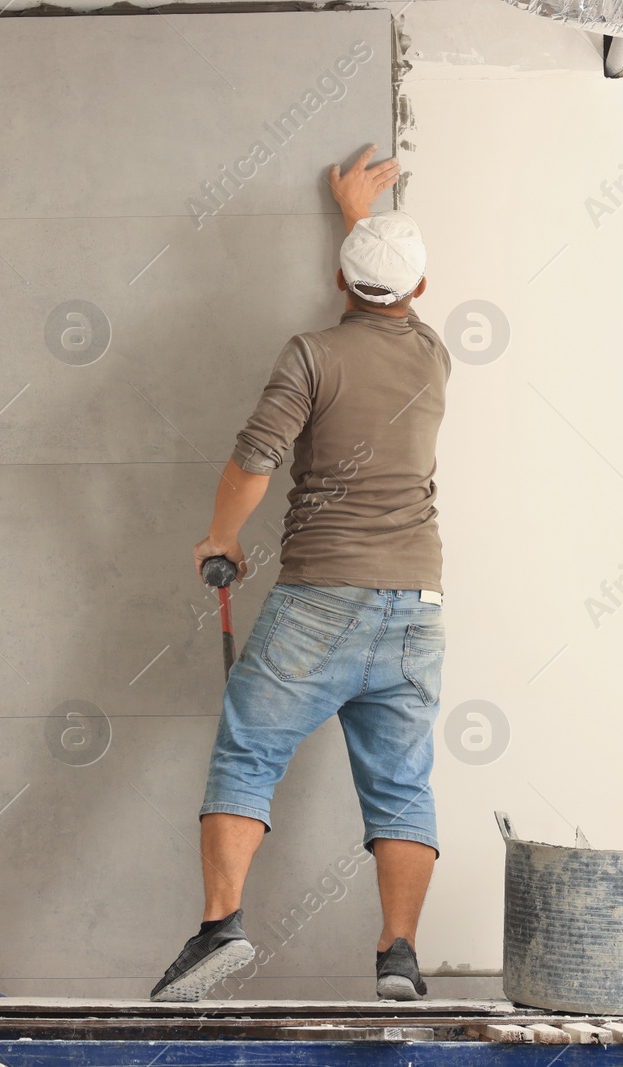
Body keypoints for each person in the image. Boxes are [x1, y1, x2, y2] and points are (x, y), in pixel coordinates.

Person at [150, 145, 453, 1003]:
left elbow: (257, 455)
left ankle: (219, 930)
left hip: (322, 597)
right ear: (421, 293)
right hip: (417, 609)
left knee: (248, 752)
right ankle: (399, 954)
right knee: (401, 783)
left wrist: (222, 534)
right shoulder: (433, 359)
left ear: (336, 278)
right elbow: (391, 295)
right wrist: (368, 224)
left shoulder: (311, 355)